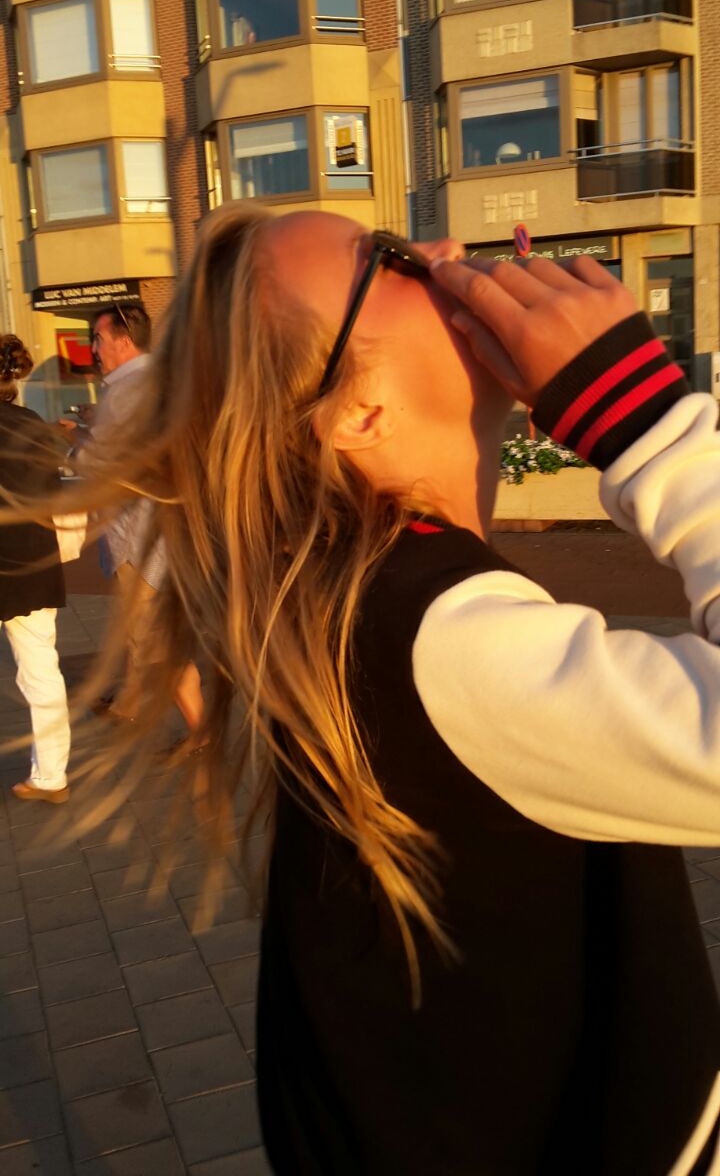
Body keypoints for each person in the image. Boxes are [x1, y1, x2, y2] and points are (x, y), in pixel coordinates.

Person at [5, 204, 720, 1172]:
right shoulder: (435, 634)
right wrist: (646, 420)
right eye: (391, 258)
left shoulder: (353, 589)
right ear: (356, 411)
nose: (443, 251)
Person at [63, 304, 203, 735]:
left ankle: (202, 731)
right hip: (162, 529)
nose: (93, 348)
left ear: (123, 341)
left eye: (99, 339)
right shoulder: (158, 382)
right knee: (140, 627)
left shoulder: (125, 392)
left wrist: (71, 440)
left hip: (137, 536)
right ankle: (127, 702)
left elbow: (99, 464)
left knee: (154, 638)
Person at [0, 334, 71, 804]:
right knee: (42, 672)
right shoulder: (34, 425)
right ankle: (50, 775)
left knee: (39, 674)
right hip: (34, 563)